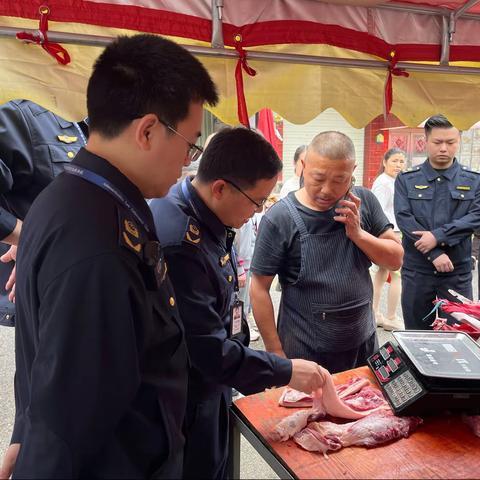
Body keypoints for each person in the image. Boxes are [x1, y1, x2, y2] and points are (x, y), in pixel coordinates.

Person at [2, 34, 219, 479]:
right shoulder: (98, 237)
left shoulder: (80, 196)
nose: (187, 162)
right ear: (147, 130)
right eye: (190, 144)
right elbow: (69, 423)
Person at [149, 127, 326, 480]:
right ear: (220, 188)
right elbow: (205, 349)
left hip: (213, 386)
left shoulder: (208, 215)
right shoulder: (180, 242)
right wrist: (285, 371)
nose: (258, 211)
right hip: (184, 401)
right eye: (257, 201)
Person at [250, 131, 403, 374]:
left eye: (339, 180)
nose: (326, 190)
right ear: (303, 166)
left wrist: (358, 234)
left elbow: (395, 259)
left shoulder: (364, 201)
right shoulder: (280, 218)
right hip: (305, 352)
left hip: (362, 346)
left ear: (352, 171)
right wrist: (276, 353)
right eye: (318, 178)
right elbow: (258, 287)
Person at [0, 99, 88, 325]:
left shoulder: (91, 117)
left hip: (93, 283)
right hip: (48, 295)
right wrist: (27, 235)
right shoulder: (18, 114)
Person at [394, 114, 480, 330]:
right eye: (437, 142)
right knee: (416, 335)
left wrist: (438, 236)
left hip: (456, 274)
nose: (444, 148)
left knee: (459, 337)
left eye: (450, 142)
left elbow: (476, 216)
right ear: (426, 141)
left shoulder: (474, 180)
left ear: (458, 141)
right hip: (418, 272)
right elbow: (405, 219)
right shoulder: (407, 179)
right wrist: (433, 252)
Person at [371, 147, 406, 331]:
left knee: (382, 273)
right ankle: (391, 317)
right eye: (394, 161)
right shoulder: (384, 183)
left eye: (401, 161)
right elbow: (378, 211)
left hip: (390, 232)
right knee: (397, 275)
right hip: (390, 233)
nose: (398, 165)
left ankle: (375, 312)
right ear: (384, 162)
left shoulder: (393, 181)